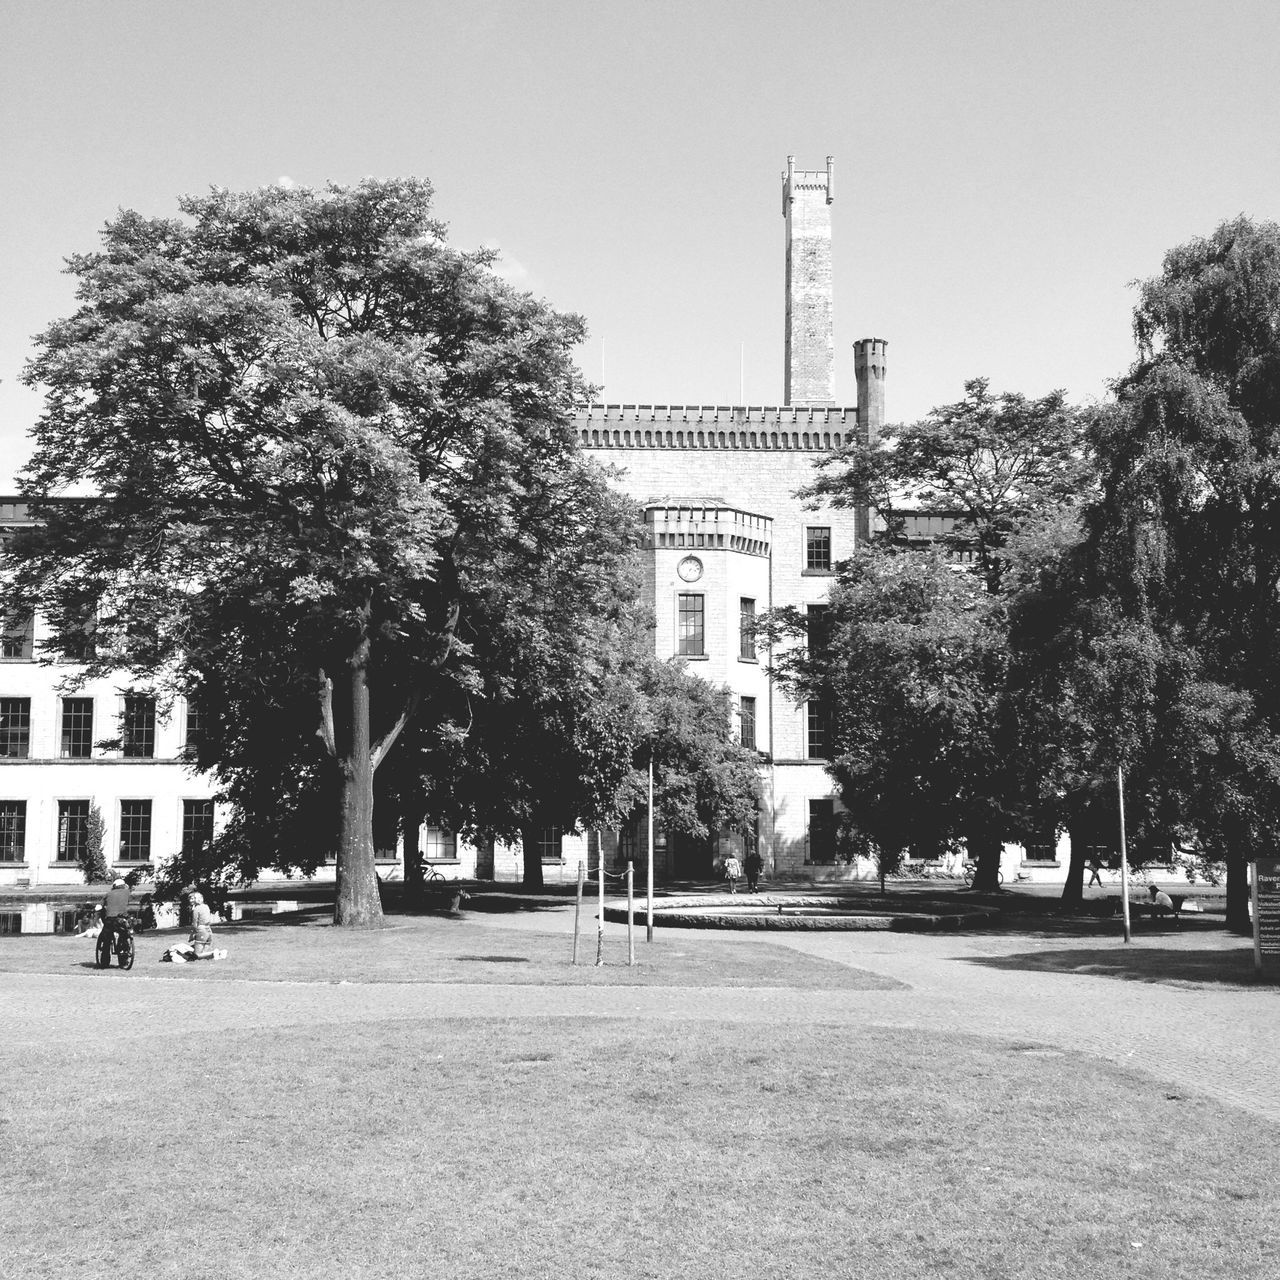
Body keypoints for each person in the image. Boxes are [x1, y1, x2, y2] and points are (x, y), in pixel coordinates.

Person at [99, 876, 132, 953]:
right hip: (122, 919)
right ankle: (124, 954)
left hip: (110, 919)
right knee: (124, 933)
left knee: (106, 939)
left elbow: (101, 906)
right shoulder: (127, 892)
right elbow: (128, 903)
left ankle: (104, 962)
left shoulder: (108, 894)